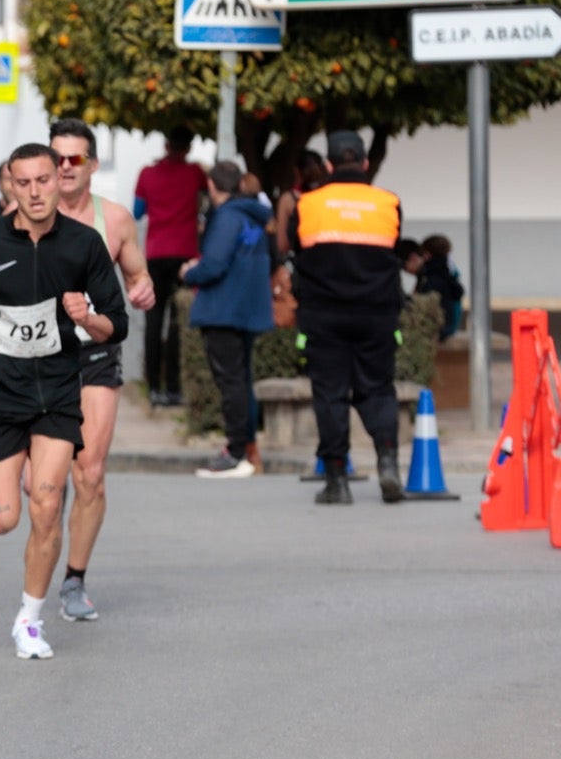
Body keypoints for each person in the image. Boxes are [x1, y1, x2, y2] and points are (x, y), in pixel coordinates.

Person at [0, 143, 128, 660]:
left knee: (47, 504)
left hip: (60, 393)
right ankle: (18, 478)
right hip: (0, 393)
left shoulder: (84, 244)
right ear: (11, 186)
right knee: (2, 517)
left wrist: (87, 317)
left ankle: (30, 618)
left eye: (46, 180)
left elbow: (117, 324)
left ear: (57, 183)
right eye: (26, 183)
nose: (37, 191)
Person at [47, 118, 156, 621]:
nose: (66, 168)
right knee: (38, 487)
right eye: (58, 158)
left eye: (76, 159)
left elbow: (138, 276)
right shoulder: (21, 215)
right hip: (36, 359)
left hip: (93, 353)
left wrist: (142, 289)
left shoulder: (113, 220)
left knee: (89, 473)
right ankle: (40, 561)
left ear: (91, 164)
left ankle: (74, 579)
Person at [287, 130, 405, 505]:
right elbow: (396, 249)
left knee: (330, 394)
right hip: (377, 316)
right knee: (378, 388)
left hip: (324, 316)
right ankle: (388, 461)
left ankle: (337, 481)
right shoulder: (389, 203)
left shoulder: (308, 204)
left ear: (328, 164)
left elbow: (295, 251)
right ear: (366, 162)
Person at [182, 160, 274, 479]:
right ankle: (248, 450)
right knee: (242, 381)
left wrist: (189, 271)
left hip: (223, 309)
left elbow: (215, 264)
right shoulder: (255, 216)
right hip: (248, 307)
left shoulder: (227, 217)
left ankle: (235, 453)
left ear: (212, 186)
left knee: (231, 383)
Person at [133, 126, 207, 406]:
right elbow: (210, 197)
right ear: (187, 148)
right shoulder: (195, 173)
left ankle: (153, 387)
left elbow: (138, 211)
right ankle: (174, 388)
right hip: (186, 255)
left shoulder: (147, 174)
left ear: (165, 144)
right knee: (178, 322)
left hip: (155, 253)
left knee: (154, 321)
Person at [415, 235, 464, 340]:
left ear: (427, 255)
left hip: (439, 330)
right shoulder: (450, 273)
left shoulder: (431, 277)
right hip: (451, 326)